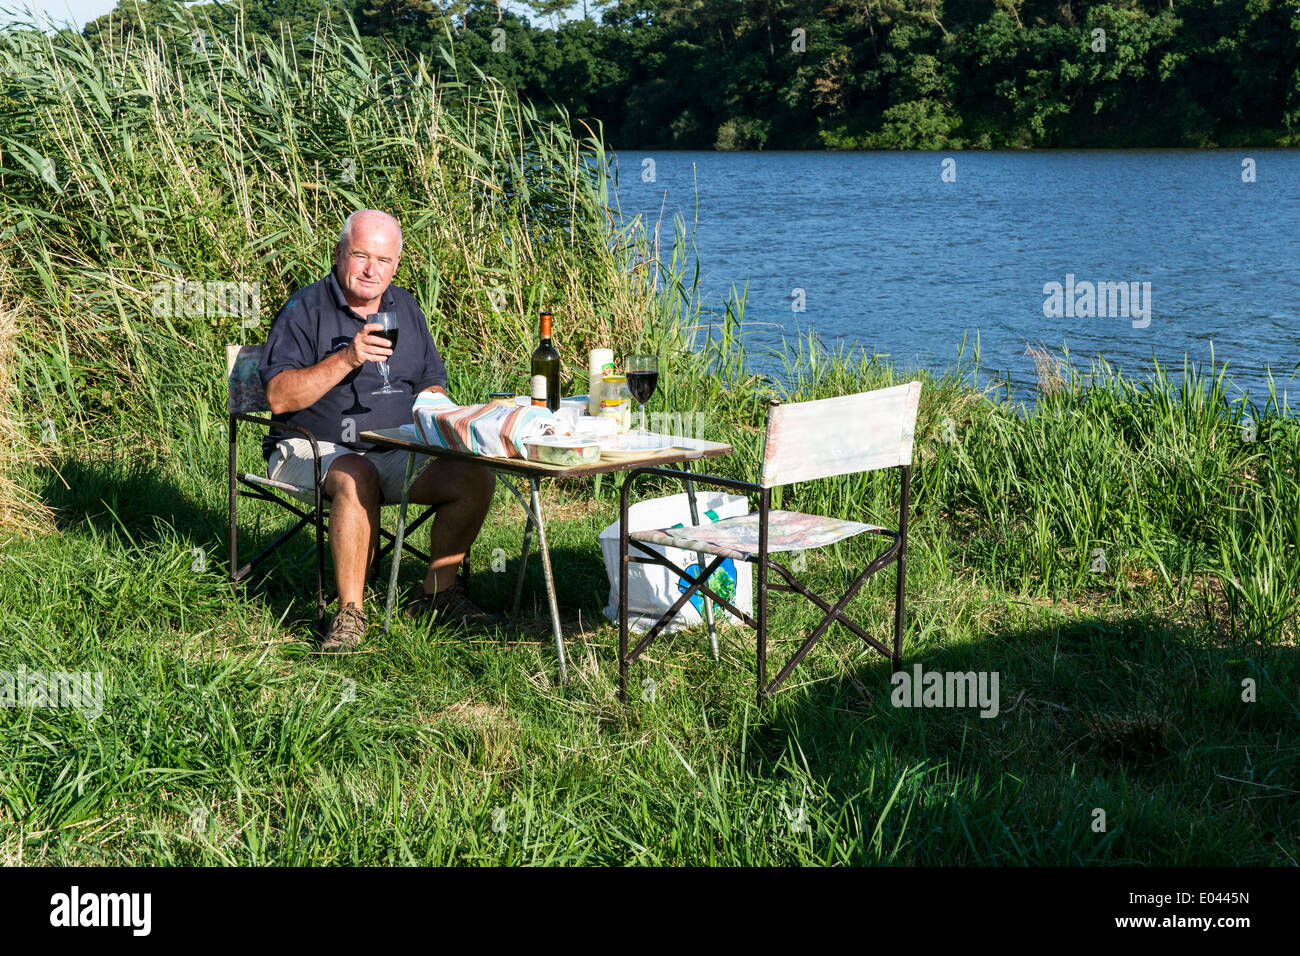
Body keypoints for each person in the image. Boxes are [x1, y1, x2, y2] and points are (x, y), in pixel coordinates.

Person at [259, 209, 497, 652]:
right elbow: (278, 397)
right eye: (361, 255)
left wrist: (439, 413)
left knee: (475, 474)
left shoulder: (404, 306)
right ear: (339, 254)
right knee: (356, 473)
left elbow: (430, 378)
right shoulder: (304, 309)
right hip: (309, 449)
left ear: (396, 265)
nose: (371, 269)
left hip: (395, 448)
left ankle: (438, 595)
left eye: (383, 260)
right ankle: (351, 614)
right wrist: (347, 359)